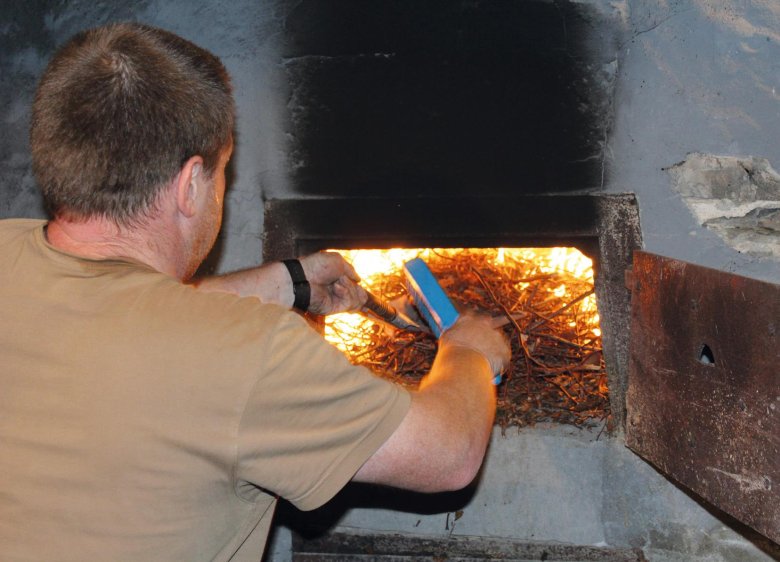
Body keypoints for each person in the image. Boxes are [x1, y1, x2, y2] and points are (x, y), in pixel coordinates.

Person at [0, 22, 510, 561]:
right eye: (223, 170)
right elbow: (447, 454)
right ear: (189, 184)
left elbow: (126, 314)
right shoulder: (248, 355)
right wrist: (467, 350)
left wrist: (287, 283)